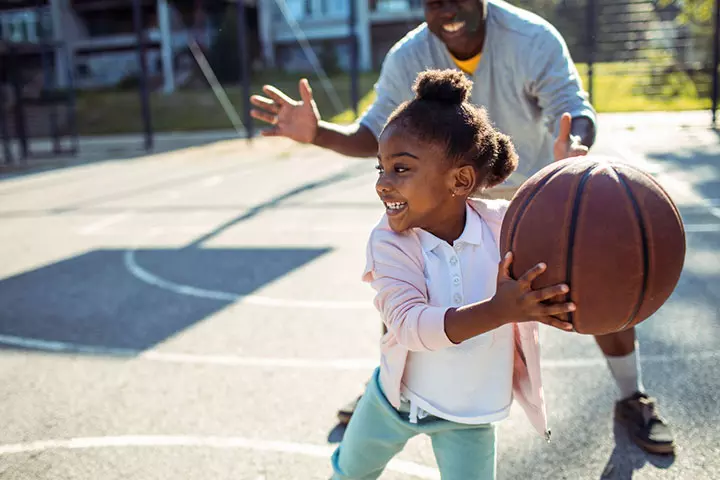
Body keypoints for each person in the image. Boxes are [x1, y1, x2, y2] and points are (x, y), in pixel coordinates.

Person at [250, 0, 675, 456]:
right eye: (434, 2)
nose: (446, 9)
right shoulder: (409, 54)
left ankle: (632, 395)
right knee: (406, 286)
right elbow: (375, 132)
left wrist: (575, 146)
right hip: (440, 199)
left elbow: (573, 107)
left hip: (530, 198)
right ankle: (392, 388)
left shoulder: (531, 38)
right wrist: (318, 133)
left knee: (592, 278)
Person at [332, 68, 576, 480]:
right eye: (381, 169)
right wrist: (499, 310)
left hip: (470, 412)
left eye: (401, 169)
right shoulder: (390, 242)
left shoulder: (503, 227)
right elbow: (409, 326)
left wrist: (568, 182)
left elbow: (560, 235)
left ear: (461, 180)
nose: (383, 184)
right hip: (396, 400)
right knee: (348, 474)